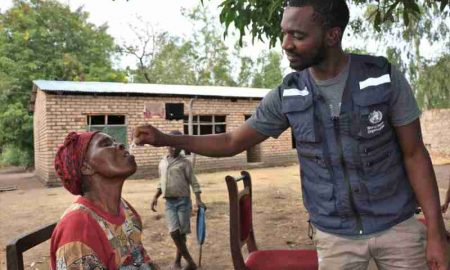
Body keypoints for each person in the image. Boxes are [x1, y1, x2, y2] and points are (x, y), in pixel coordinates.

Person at [133, 0, 450, 269]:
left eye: (297, 35)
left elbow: (414, 154)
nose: (285, 44)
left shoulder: (382, 78)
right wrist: (167, 139)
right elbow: (231, 142)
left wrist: (436, 232)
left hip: (398, 229)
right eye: (284, 33)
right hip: (335, 237)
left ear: (331, 35)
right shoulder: (289, 95)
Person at [50, 131, 159, 270]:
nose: (120, 145)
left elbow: (140, 257)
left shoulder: (125, 208)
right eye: (106, 144)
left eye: (115, 141)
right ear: (86, 167)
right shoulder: (78, 228)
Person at [150, 130, 205, 270]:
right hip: (169, 202)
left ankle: (177, 261)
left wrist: (198, 199)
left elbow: (194, 181)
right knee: (173, 231)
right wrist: (155, 196)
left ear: (181, 146)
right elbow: (161, 182)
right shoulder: (162, 162)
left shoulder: (185, 163)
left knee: (181, 234)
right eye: (171, 145)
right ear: (167, 145)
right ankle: (191, 262)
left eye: (177, 145)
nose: (173, 148)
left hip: (183, 202)